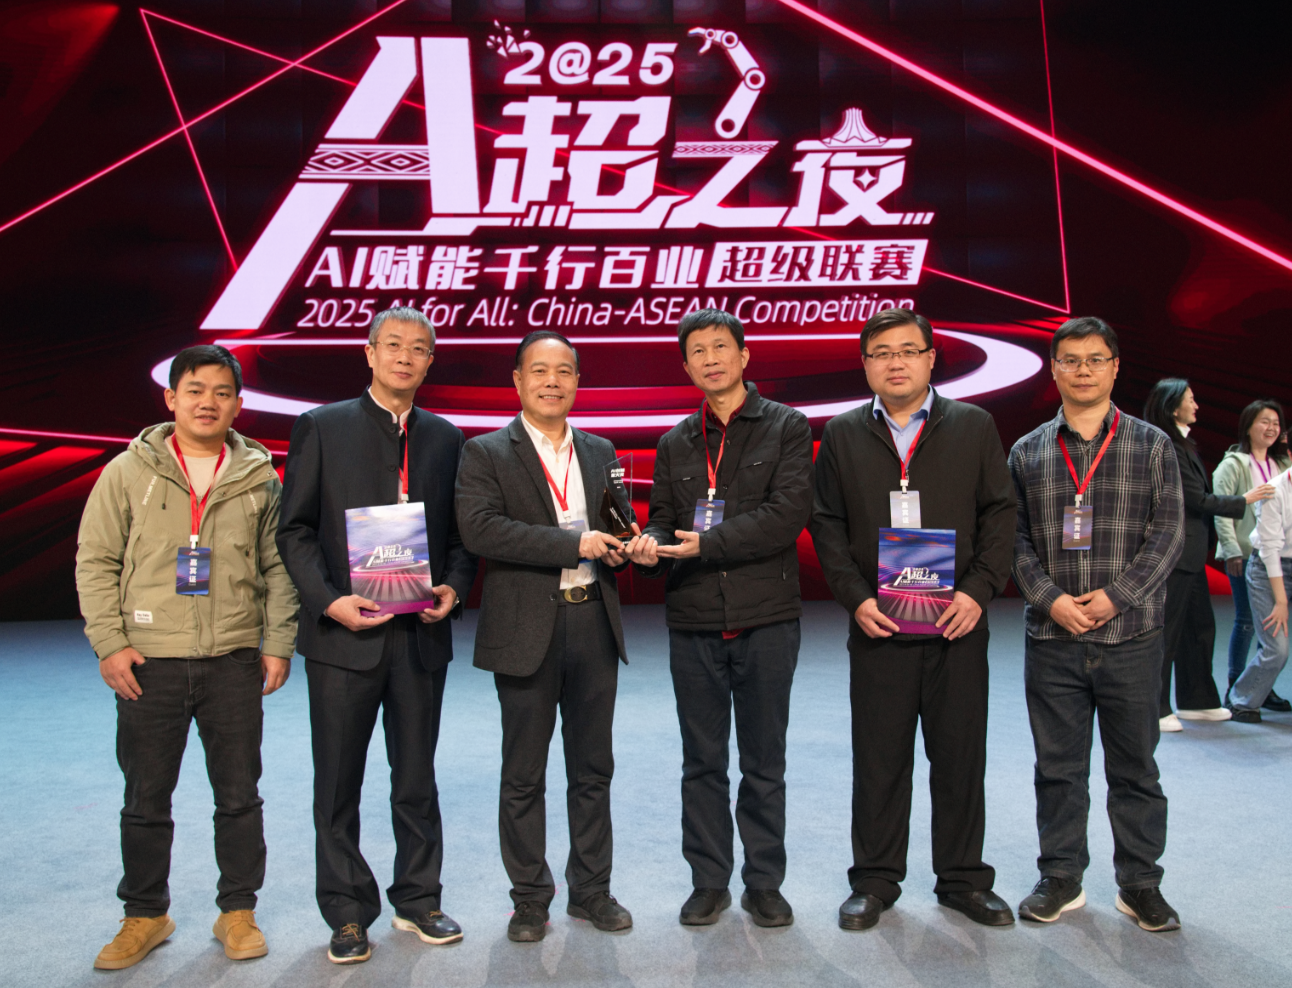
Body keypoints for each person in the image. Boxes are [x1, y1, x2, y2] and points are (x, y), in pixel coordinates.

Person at [77, 345, 299, 970]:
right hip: (151, 662)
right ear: (171, 398)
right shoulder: (128, 471)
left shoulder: (260, 476)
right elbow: (95, 560)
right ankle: (145, 914)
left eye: (222, 392)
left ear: (238, 403)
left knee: (239, 795)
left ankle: (238, 911)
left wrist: (277, 642)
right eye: (195, 390)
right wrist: (110, 643)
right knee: (146, 797)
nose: (208, 402)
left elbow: (278, 568)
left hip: (234, 659)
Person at [276, 307, 479, 964]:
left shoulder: (446, 438)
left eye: (418, 349)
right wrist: (329, 601)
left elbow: (461, 538)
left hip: (419, 638)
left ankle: (418, 899)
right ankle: (346, 912)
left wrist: (453, 588)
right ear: (369, 352)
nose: (404, 357)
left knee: (416, 777)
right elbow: (294, 531)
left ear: (429, 362)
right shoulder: (322, 426)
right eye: (392, 345)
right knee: (338, 783)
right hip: (344, 638)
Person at [810, 308, 1016, 931]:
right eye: (881, 353)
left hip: (957, 623)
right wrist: (855, 599)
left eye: (907, 350)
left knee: (960, 757)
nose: (895, 363)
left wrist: (978, 592)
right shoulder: (843, 433)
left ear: (930, 358)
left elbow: (1000, 514)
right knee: (879, 759)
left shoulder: (973, 425)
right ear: (866, 364)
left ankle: (963, 879)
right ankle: (874, 881)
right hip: (880, 625)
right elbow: (827, 524)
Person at [628, 309, 813, 929]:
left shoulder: (786, 426)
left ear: (744, 355)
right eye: (698, 352)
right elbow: (662, 517)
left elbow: (787, 514)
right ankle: (708, 882)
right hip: (694, 620)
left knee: (764, 761)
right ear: (686, 367)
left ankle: (764, 883)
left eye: (720, 347)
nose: (711, 359)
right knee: (701, 761)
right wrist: (651, 547)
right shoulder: (675, 441)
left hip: (767, 618)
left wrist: (705, 545)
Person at [455, 330, 638, 943]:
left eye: (564, 370)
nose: (552, 381)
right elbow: (481, 530)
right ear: (518, 380)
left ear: (578, 381)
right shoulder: (485, 452)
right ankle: (530, 900)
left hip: (593, 623)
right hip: (526, 627)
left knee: (593, 768)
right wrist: (574, 542)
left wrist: (629, 545)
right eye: (539, 370)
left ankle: (592, 890)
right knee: (523, 773)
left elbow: (616, 522)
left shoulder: (600, 449)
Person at [1010, 316, 1185, 932]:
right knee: (1058, 770)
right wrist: (1050, 599)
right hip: (1052, 638)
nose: (1082, 370)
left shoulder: (1152, 444)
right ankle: (1061, 877)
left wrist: (1117, 597)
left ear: (1114, 368)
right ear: (1054, 369)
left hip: (1131, 636)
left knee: (1135, 769)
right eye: (1071, 360)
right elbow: (1012, 539)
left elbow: (1169, 533)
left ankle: (1140, 884)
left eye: (1094, 360)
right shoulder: (1027, 450)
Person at [1143, 379, 1272, 730]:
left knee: (1199, 628)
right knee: (1168, 632)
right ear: (1173, 407)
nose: (1196, 405)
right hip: (1175, 551)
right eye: (1190, 399)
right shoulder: (1167, 445)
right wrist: (1244, 500)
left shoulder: (1184, 443)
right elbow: (1195, 499)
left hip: (1193, 551)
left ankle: (1197, 700)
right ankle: (1155, 708)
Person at [1212, 400, 1292, 710]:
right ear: (1248, 426)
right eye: (1264, 421)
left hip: (1276, 552)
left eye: (1276, 423)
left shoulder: (1280, 464)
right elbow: (1222, 508)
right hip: (1249, 552)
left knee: (1266, 630)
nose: (1271, 428)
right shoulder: (1234, 463)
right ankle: (1236, 685)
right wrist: (1231, 549)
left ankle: (1261, 687)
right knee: (1246, 621)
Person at [1229, 461, 1292, 722]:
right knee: (1277, 648)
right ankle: (1241, 700)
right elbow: (1270, 549)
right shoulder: (1275, 490)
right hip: (1268, 569)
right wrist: (1281, 601)